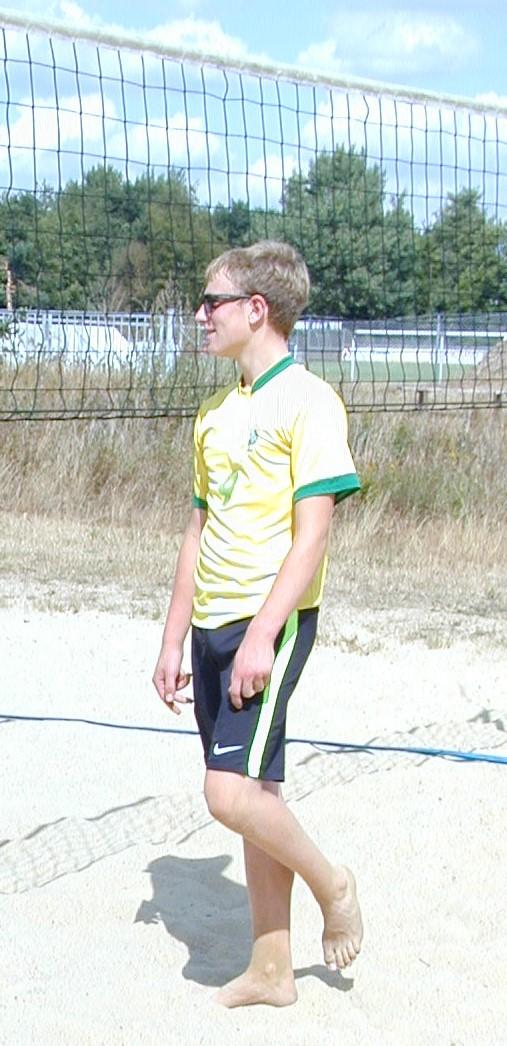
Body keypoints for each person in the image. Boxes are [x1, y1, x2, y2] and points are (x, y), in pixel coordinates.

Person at [152, 240, 363, 1008]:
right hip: (209, 623)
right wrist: (172, 638)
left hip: (265, 621)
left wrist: (262, 637)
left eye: (211, 301)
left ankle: (332, 884)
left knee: (228, 794)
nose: (199, 315)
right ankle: (272, 971)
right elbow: (196, 532)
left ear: (255, 308)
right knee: (257, 791)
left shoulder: (308, 400)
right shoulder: (213, 415)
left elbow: (312, 535)